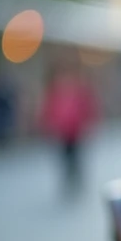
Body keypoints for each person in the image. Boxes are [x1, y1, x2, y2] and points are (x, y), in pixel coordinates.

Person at [40, 61, 97, 196]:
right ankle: (68, 179)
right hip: (62, 131)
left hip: (76, 130)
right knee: (65, 157)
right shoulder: (55, 91)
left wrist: (89, 124)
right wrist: (47, 125)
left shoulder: (78, 90)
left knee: (76, 156)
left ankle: (77, 179)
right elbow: (48, 110)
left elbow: (88, 107)